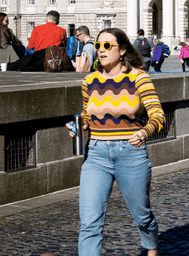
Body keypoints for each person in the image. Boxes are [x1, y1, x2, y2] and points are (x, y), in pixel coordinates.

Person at [65, 27, 166, 256]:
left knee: (142, 216)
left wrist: (144, 132)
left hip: (130, 152)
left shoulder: (138, 77)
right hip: (96, 155)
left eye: (107, 46)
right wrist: (79, 126)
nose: (100, 51)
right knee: (90, 223)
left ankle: (151, 247)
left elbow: (158, 115)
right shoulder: (89, 81)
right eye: (98, 46)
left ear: (121, 50)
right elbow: (88, 117)